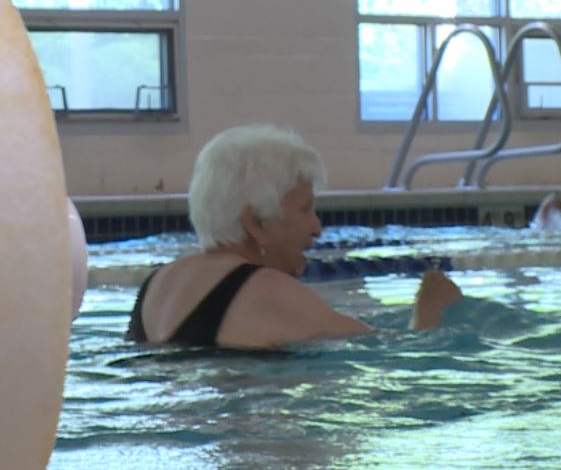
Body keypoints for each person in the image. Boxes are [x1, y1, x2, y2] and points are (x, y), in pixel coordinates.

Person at [126, 124, 463, 349]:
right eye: (305, 210)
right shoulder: (265, 289)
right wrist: (430, 308)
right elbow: (400, 360)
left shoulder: (158, 282)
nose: (317, 227)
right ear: (256, 222)